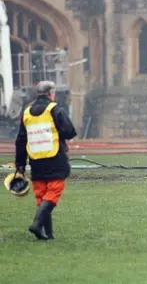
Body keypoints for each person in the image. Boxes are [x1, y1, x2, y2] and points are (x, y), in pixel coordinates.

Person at [15, 80, 77, 240]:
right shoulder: (54, 109)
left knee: (42, 196)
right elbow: (70, 131)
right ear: (51, 94)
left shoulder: (26, 112)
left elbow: (21, 140)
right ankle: (37, 224)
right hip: (55, 159)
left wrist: (20, 164)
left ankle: (48, 234)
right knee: (53, 194)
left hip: (36, 161)